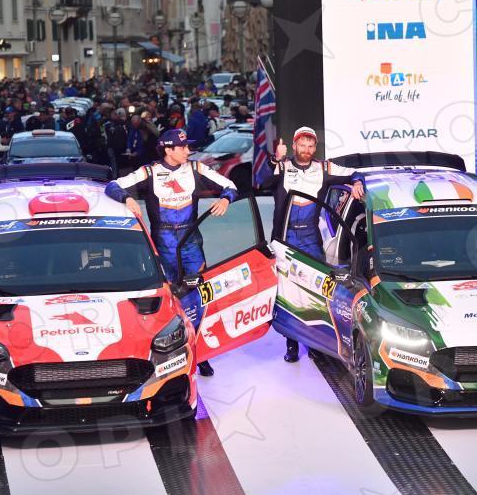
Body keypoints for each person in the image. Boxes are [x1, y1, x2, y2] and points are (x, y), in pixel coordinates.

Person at [104, 129, 238, 377]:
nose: (188, 151)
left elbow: (230, 185)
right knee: (170, 297)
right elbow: (112, 185)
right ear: (168, 149)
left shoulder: (196, 168)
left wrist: (226, 199)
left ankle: (201, 353)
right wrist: (127, 199)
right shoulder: (149, 171)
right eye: (183, 147)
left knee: (199, 294)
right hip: (163, 242)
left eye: (188, 146)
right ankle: (171, 353)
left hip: (190, 241)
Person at [260, 127, 365, 363]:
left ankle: (316, 342)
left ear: (315, 148)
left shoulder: (324, 168)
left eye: (310, 146)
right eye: (302, 145)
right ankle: (292, 343)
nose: (306, 150)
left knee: (315, 289)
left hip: (310, 236)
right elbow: (262, 182)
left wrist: (357, 182)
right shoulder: (282, 166)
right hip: (284, 237)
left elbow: (355, 173)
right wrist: (275, 159)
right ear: (294, 146)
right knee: (286, 290)